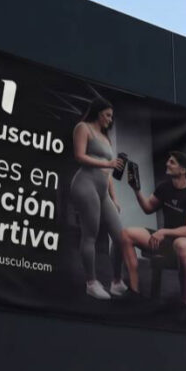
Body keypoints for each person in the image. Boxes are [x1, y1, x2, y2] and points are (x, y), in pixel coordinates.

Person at [119, 151, 186, 320]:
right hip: (166, 242)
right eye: (168, 161)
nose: (167, 164)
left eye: (172, 162)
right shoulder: (164, 188)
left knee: (180, 244)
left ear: (183, 170)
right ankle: (134, 291)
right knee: (126, 234)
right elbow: (148, 208)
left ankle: (184, 303)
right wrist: (137, 191)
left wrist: (164, 231)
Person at [69, 97, 126, 300]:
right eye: (107, 115)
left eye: (111, 116)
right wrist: (108, 163)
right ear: (98, 112)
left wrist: (114, 198)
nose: (110, 119)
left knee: (120, 237)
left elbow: (108, 173)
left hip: (102, 190)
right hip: (85, 184)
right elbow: (79, 156)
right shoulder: (83, 128)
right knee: (90, 235)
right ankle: (91, 283)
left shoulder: (106, 138)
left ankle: (116, 282)